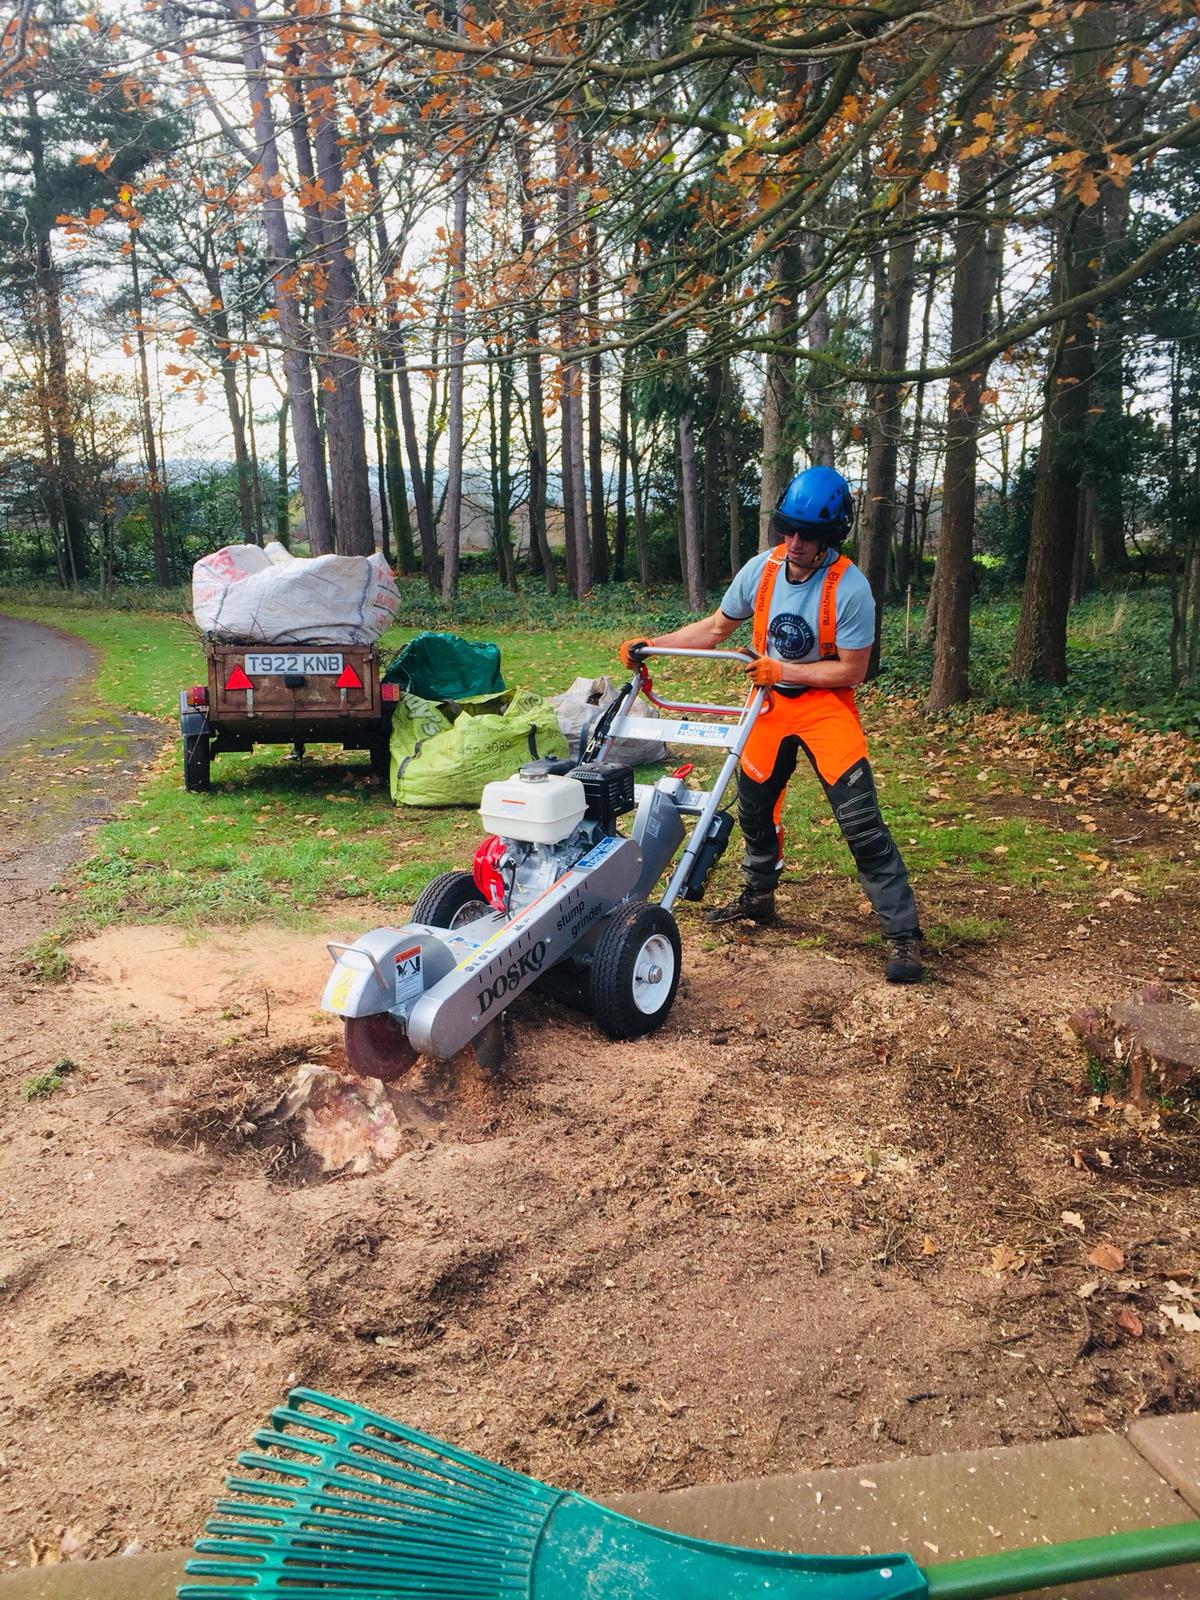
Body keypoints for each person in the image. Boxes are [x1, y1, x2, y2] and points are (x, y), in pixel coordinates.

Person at [619, 464, 923, 983]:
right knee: (754, 809)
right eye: (788, 529)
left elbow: (853, 669)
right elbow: (717, 628)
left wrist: (786, 669)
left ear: (830, 537)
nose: (796, 541)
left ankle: (904, 936)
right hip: (768, 705)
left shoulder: (850, 588)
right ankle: (758, 896)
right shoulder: (761, 570)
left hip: (826, 708)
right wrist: (653, 646)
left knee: (861, 823)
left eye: (809, 534)